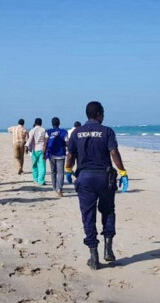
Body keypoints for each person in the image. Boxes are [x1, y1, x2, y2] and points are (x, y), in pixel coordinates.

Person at [65, 101, 129, 270]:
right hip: (104, 178)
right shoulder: (107, 131)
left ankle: (94, 256)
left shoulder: (76, 133)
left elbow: (70, 155)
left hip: (85, 178)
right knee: (108, 211)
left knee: (88, 215)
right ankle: (108, 248)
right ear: (99, 113)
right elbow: (114, 152)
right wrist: (123, 172)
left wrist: (67, 170)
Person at [45, 117, 68, 197]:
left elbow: (46, 143)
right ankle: (59, 189)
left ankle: (54, 187)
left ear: (52, 123)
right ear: (59, 123)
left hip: (51, 154)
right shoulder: (63, 132)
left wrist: (44, 153)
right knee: (61, 172)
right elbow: (67, 142)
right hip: (61, 154)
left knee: (53, 171)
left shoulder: (48, 132)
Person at [26, 118, 47, 185]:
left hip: (34, 150)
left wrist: (26, 147)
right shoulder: (43, 130)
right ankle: (41, 181)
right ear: (41, 123)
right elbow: (46, 140)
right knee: (42, 166)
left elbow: (30, 140)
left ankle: (35, 179)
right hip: (42, 149)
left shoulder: (32, 130)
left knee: (34, 165)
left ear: (35, 123)